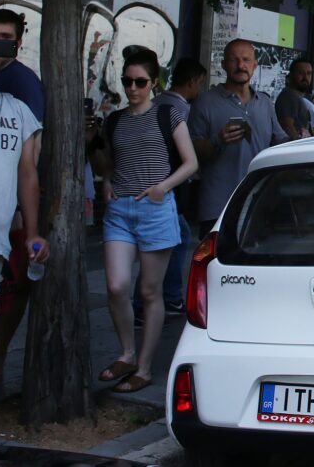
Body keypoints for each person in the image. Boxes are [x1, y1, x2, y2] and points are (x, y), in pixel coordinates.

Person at [93, 48, 198, 393]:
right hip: (119, 210)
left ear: (154, 83)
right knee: (116, 286)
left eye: (140, 82)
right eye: (127, 81)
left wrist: (162, 188)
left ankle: (145, 367)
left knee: (150, 291)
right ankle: (126, 353)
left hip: (155, 208)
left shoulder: (167, 114)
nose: (133, 88)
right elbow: (109, 162)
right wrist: (107, 181)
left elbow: (190, 162)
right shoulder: (115, 120)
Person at [0, 8, 45, 383]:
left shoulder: (20, 100)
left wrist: (30, 227)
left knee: (2, 302)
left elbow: (28, 169)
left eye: (3, 39)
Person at [131, 58, 207, 323]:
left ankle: (152, 301)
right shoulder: (180, 110)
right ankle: (158, 300)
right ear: (192, 81)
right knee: (172, 238)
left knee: (165, 239)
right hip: (166, 184)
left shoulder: (157, 103)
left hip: (153, 183)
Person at [189, 39, 287, 235]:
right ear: (224, 64)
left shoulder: (265, 103)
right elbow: (192, 152)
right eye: (234, 60)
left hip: (258, 203)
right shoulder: (205, 102)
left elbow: (280, 142)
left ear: (255, 65)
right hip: (218, 206)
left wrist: (304, 140)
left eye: (246, 60)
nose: (240, 65)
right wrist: (218, 140)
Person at [274, 58, 314, 140]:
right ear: (291, 75)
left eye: (309, 73)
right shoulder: (289, 96)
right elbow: (288, 128)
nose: (305, 77)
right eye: (300, 73)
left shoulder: (297, 97)